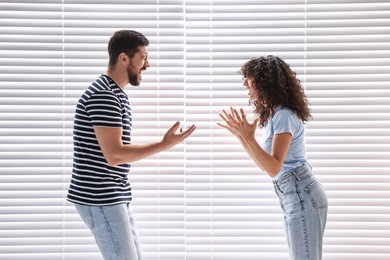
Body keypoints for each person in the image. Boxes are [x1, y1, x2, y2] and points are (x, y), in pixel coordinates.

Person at [67, 29, 196, 260]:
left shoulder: (115, 94)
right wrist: (164, 144)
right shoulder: (104, 95)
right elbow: (114, 155)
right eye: (143, 57)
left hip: (113, 193)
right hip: (101, 196)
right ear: (124, 58)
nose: (147, 64)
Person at [218, 55, 327, 260]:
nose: (245, 83)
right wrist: (243, 137)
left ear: (264, 81)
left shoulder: (284, 115)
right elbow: (265, 164)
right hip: (293, 192)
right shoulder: (275, 115)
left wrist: (249, 138)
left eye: (249, 78)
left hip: (301, 192)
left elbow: (273, 167)